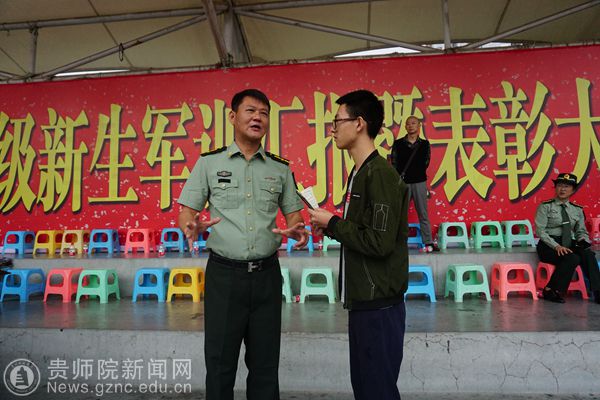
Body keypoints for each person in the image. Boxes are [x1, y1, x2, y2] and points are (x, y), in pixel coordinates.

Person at [177, 88, 309, 400]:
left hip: (266, 276)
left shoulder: (279, 168)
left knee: (265, 364)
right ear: (233, 117)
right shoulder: (209, 163)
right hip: (224, 277)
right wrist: (191, 225)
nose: (257, 118)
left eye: (264, 113)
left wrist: (298, 231)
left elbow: (294, 217)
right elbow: (186, 213)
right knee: (220, 363)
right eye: (250, 111)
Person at [308, 90, 409, 400]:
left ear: (359, 123)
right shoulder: (360, 172)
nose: (332, 129)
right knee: (366, 389)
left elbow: (379, 242)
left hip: (379, 304)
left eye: (337, 121)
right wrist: (330, 227)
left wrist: (333, 223)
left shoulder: (380, 175)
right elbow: (364, 231)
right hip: (365, 301)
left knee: (377, 390)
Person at [534, 172, 600, 304]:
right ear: (555, 188)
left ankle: (598, 292)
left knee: (588, 255)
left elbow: (581, 231)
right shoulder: (545, 206)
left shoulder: (577, 209)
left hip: (568, 242)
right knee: (572, 258)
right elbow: (540, 231)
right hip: (549, 245)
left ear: (573, 190)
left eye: (566, 186)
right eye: (560, 185)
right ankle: (550, 290)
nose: (562, 189)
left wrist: (582, 240)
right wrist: (556, 246)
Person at [390, 116, 439, 252]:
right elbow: (394, 163)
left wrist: (416, 172)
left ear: (419, 126)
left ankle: (428, 242)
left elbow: (426, 162)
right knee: (400, 215)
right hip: (403, 183)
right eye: (408, 124)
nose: (411, 126)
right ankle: (399, 243)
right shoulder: (398, 144)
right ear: (405, 127)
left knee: (423, 213)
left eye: (413, 123)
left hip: (419, 182)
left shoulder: (424, 144)